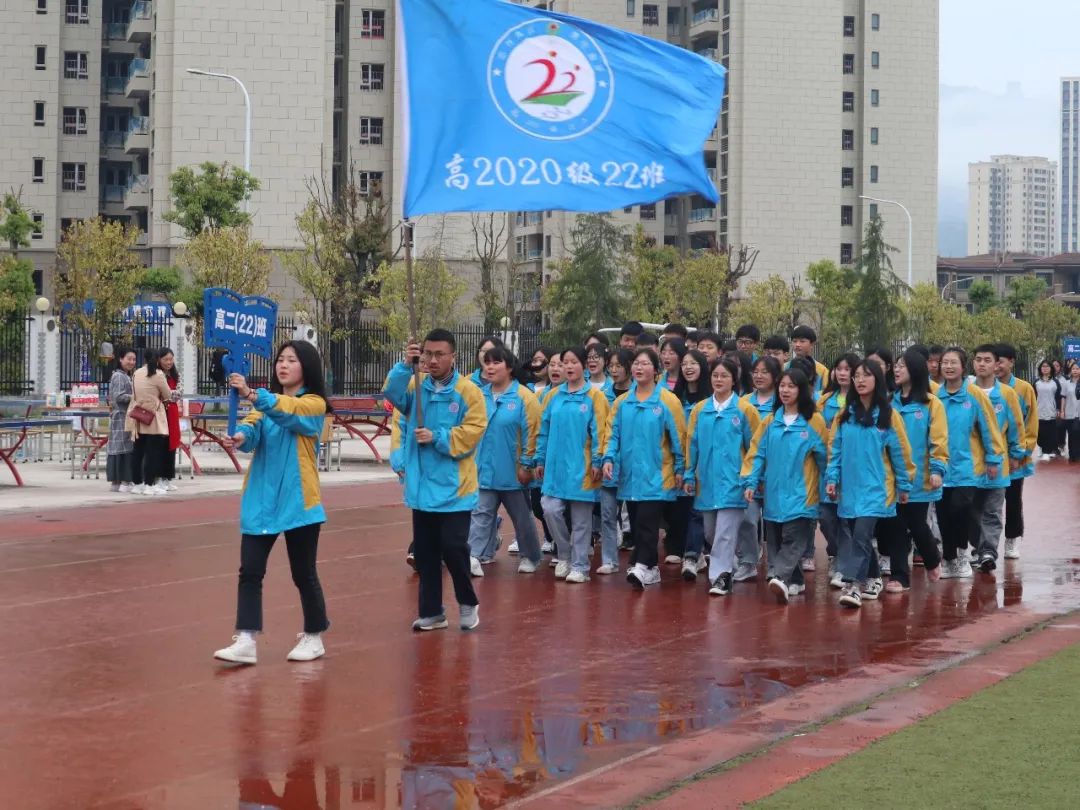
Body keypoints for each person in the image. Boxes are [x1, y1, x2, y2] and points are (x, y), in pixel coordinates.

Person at [213, 341, 332, 665]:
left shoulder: (313, 404)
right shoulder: (264, 405)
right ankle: (246, 638)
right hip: (262, 498)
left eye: (291, 360)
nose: (283, 365)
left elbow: (288, 412)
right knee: (250, 571)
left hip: (298, 500)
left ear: (306, 366)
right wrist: (240, 437)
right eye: (280, 359)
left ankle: (314, 635)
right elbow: (253, 428)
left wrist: (254, 395)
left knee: (303, 573)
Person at [382, 328, 488, 631]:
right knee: (426, 553)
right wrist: (405, 365)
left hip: (455, 488)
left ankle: (468, 603)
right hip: (422, 486)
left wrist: (438, 437)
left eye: (439, 354)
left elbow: (473, 431)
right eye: (427, 353)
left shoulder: (468, 392)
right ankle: (432, 611)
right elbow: (391, 395)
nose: (432, 360)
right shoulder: (416, 386)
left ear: (453, 356)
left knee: (454, 548)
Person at [826, 359, 914, 608]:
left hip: (877, 488)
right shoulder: (845, 416)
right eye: (857, 376)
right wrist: (832, 478)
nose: (860, 380)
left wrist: (904, 486)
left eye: (866, 375)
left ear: (877, 379)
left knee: (862, 534)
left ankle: (853, 585)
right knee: (857, 535)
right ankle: (874, 577)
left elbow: (900, 453)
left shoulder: (888, 415)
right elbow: (835, 451)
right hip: (850, 488)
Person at [741, 368, 829, 604]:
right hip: (774, 493)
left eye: (791, 386)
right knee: (777, 539)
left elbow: (824, 458)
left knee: (795, 538)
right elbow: (757, 453)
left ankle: (779, 575)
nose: (785, 390)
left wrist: (830, 482)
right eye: (782, 386)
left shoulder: (814, 421)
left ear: (802, 390)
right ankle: (796, 580)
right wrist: (751, 481)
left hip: (802, 494)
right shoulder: (770, 421)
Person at [602, 348, 687, 590]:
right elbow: (612, 433)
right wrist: (608, 458)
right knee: (638, 519)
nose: (639, 368)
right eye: (636, 364)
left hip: (657, 474)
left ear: (656, 370)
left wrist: (681, 468)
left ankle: (644, 565)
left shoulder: (668, 401)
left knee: (647, 522)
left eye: (645, 364)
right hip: (630, 474)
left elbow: (679, 438)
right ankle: (648, 567)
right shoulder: (622, 403)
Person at [684, 357, 760, 596]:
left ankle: (721, 576)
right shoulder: (700, 409)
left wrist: (751, 478)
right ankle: (731, 566)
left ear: (734, 380)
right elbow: (692, 444)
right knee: (711, 532)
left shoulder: (744, 410)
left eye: (724, 376)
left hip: (734, 482)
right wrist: (688, 473)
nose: (718, 380)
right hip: (706, 481)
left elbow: (755, 448)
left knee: (725, 532)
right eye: (715, 375)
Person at [467, 346, 543, 577]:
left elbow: (533, 433)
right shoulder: (480, 395)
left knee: (522, 518)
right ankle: (474, 556)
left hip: (514, 473)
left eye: (496, 363)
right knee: (480, 515)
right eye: (487, 363)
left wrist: (527, 464)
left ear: (509, 368)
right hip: (485, 470)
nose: (489, 367)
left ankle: (530, 556)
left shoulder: (524, 398)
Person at [535, 346, 609, 583]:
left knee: (581, 520)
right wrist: (539, 458)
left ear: (584, 366)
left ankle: (580, 566)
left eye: (573, 362)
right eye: (564, 362)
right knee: (549, 507)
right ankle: (564, 554)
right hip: (555, 467)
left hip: (582, 466)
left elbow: (600, 431)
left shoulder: (595, 397)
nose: (568, 366)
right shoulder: (552, 396)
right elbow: (543, 430)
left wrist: (598, 459)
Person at [936, 348, 1005, 579]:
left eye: (953, 362)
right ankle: (949, 559)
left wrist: (993, 459)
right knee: (943, 514)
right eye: (944, 362)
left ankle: (962, 553)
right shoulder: (936, 396)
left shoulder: (975, 395)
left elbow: (989, 428)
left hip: (967, 468)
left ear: (963, 367)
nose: (948, 367)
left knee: (962, 510)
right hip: (941, 468)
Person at [882, 349, 947, 590]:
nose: (896, 370)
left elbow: (938, 440)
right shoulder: (889, 402)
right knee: (896, 526)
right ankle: (900, 577)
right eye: (896, 366)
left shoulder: (932, 404)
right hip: (894, 478)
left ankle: (932, 557)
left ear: (916, 370)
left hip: (921, 478)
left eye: (902, 366)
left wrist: (938, 469)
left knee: (917, 524)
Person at [969, 344, 1026, 573]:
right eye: (978, 359)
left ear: (996, 365)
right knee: (970, 510)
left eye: (987, 360)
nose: (982, 364)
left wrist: (1016, 455)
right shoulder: (966, 391)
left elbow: (1016, 427)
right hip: (970, 464)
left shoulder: (1007, 394)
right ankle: (977, 548)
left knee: (992, 511)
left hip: (999, 463)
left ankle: (988, 552)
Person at [733, 355, 781, 582]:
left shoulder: (781, 404)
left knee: (773, 523)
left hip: (775, 473)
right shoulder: (743, 402)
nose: (759, 376)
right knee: (748, 519)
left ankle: (775, 565)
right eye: (756, 371)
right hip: (750, 472)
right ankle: (748, 562)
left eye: (765, 372)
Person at [817, 353, 860, 585]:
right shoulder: (824, 401)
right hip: (826, 466)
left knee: (846, 520)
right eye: (839, 369)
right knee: (825, 517)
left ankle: (844, 565)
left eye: (848, 369)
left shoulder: (861, 401)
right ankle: (836, 553)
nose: (843, 373)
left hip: (851, 468)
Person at [995, 343, 1038, 559]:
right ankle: (984, 545)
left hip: (1014, 458)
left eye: (1000, 361)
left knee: (1012, 500)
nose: (996, 366)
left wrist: (1021, 453)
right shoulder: (982, 388)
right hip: (990, 457)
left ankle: (1012, 539)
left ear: (1011, 362)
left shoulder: (1023, 389)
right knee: (986, 504)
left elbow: (1030, 424)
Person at [675, 349, 711, 578]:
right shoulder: (674, 397)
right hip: (679, 460)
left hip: (703, 461)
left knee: (699, 511)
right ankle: (692, 552)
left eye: (693, 363)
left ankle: (691, 555)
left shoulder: (710, 400)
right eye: (684, 363)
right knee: (682, 510)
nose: (688, 367)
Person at [127, 348, 173, 496]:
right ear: (157, 359)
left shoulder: (136, 373)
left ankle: (137, 483)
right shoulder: (158, 374)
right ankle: (149, 484)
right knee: (153, 453)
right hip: (154, 417)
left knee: (138, 451)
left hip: (139, 415)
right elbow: (167, 395)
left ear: (144, 359)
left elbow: (134, 393)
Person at [106, 348, 138, 493]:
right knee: (124, 448)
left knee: (119, 448)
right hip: (121, 417)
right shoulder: (119, 376)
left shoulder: (124, 376)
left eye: (133, 359)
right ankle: (124, 481)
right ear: (121, 359)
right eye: (129, 358)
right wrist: (135, 398)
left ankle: (117, 482)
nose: (131, 362)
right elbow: (119, 396)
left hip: (123, 416)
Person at [157, 347, 182, 491]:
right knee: (161, 444)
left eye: (171, 359)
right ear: (159, 360)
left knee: (172, 444)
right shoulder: (157, 375)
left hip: (172, 412)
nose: (168, 362)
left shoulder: (175, 375)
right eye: (165, 359)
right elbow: (159, 394)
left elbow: (179, 393)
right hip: (160, 412)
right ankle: (159, 477)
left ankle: (167, 477)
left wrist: (168, 395)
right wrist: (169, 395)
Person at [1034, 360, 1062, 460]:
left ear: (1051, 369)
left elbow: (1058, 396)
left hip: (1051, 410)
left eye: (1047, 366)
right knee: (1041, 431)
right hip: (1039, 410)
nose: (1045, 368)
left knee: (1051, 431)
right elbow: (1033, 396)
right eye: (1043, 366)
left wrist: (1058, 408)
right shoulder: (1036, 382)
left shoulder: (1055, 382)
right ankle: (1043, 448)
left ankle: (1048, 451)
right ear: (1040, 369)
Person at [789, 326, 829, 394]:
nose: (797, 345)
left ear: (812, 344)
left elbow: (826, 393)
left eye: (802, 341)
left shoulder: (822, 371)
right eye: (794, 341)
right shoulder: (785, 367)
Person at [1062, 362, 1080, 462]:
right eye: (1073, 369)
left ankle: (1078, 454)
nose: (1075, 370)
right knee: (1072, 434)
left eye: (1077, 369)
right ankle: (1072, 454)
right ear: (1070, 370)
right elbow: (1063, 397)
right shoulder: (1066, 383)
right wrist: (1062, 410)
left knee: (1078, 433)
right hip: (1069, 412)